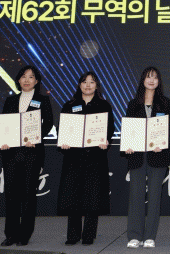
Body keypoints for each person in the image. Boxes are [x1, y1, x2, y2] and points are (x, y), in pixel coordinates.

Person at [57, 71, 115, 246]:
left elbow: (110, 129)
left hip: (95, 157)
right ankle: (73, 235)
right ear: (79, 84)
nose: (88, 85)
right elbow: (62, 129)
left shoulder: (104, 105)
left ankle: (89, 234)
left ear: (97, 85)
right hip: (74, 158)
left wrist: (106, 140)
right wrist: (64, 141)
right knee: (73, 195)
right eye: (84, 82)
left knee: (93, 196)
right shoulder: (69, 105)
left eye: (92, 82)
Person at [0, 65, 54, 247]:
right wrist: (3, 141)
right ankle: (11, 234)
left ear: (36, 81)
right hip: (11, 153)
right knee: (11, 195)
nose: (27, 80)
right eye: (23, 76)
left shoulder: (43, 100)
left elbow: (48, 124)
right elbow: (5, 125)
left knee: (28, 195)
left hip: (32, 153)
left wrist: (36, 138)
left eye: (31, 77)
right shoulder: (11, 100)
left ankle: (24, 234)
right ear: (18, 80)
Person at [123, 67, 170, 249]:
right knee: (135, 196)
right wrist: (128, 144)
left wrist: (162, 142)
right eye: (148, 77)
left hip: (157, 155)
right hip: (137, 156)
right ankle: (135, 236)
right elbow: (129, 129)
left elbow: (169, 128)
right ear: (142, 80)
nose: (151, 80)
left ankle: (150, 236)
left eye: (155, 77)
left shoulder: (165, 103)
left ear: (159, 81)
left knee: (154, 198)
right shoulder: (133, 104)